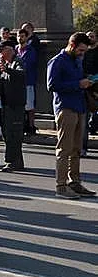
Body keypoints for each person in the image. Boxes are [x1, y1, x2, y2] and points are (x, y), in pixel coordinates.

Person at [46, 32, 96, 199]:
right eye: (81, 50)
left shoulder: (77, 60)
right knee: (64, 148)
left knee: (76, 149)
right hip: (65, 108)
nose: (83, 53)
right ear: (72, 46)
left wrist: (87, 81)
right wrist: (78, 84)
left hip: (79, 107)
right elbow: (51, 85)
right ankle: (60, 186)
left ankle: (74, 182)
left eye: (84, 51)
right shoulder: (57, 61)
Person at [0, 40, 26, 172]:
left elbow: (21, 74)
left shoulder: (17, 62)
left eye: (2, 49)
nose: (0, 52)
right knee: (8, 134)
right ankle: (16, 160)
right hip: (6, 103)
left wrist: (7, 69)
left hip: (16, 104)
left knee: (14, 133)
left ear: (9, 50)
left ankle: (12, 161)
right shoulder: (5, 65)